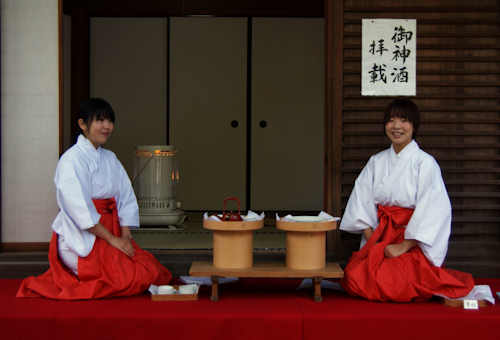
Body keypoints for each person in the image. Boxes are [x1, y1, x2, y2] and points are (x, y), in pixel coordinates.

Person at [17, 98, 172, 300]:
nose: (106, 127)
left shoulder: (110, 158)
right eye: (100, 121)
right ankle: (81, 272)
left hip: (113, 231)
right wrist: (113, 240)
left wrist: (125, 237)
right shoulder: (71, 160)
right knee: (127, 277)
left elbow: (125, 197)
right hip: (84, 239)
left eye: (109, 121)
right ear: (82, 124)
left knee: (153, 270)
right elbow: (79, 210)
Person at [340, 98, 474, 302]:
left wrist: (404, 245)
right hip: (380, 233)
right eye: (391, 120)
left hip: (411, 240)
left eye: (404, 120)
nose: (396, 127)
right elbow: (361, 200)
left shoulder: (425, 163)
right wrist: (374, 239)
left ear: (414, 126)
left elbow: (434, 210)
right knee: (355, 278)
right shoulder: (377, 161)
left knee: (399, 281)